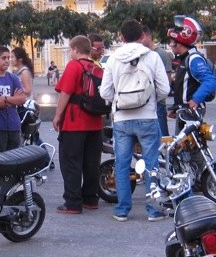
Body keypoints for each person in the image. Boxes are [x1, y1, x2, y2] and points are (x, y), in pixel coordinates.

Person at [99, 19, 170, 222]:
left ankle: (122, 209)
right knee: (151, 163)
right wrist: (149, 100)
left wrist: (119, 101)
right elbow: (164, 89)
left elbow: (105, 92)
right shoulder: (153, 57)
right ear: (142, 36)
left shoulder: (113, 59)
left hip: (121, 118)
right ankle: (153, 210)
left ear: (121, 38)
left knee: (122, 164)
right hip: (147, 117)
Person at [53, 35, 105, 214]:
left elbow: (65, 93)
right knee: (92, 162)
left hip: (75, 121)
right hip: (95, 121)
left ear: (75, 49)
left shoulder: (74, 66)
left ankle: (72, 202)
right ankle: (90, 198)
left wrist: (58, 115)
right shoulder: (97, 67)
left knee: (71, 162)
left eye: (70, 49)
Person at [167, 16, 216, 130]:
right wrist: (176, 107)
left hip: (191, 112)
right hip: (184, 111)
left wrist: (196, 100)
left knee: (188, 141)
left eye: (172, 42)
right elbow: (186, 87)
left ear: (179, 43)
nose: (170, 45)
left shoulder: (193, 59)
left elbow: (210, 81)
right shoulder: (186, 58)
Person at [0, 45, 26, 153]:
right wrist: (14, 100)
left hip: (14, 125)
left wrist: (5, 98)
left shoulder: (14, 78)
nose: (7, 61)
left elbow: (22, 99)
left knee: (15, 157)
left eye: (8, 58)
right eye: (3, 58)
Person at [140, 24, 173, 137]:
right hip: (143, 104)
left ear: (149, 37)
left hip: (158, 103)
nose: (139, 41)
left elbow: (167, 81)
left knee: (162, 136)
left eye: (142, 37)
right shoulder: (141, 54)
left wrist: (157, 97)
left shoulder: (161, 54)